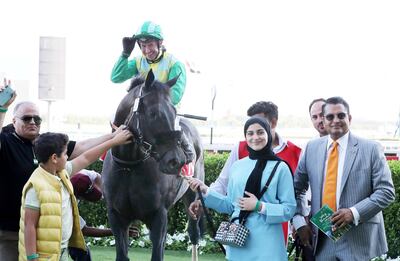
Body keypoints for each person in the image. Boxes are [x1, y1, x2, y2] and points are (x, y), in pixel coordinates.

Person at [0, 80, 133, 261]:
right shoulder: (7, 142)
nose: (33, 122)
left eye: (37, 119)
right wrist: (2, 109)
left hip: (49, 239)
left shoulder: (47, 146)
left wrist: (113, 137)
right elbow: (29, 224)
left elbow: (83, 152)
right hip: (10, 232)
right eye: (26, 118)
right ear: (14, 121)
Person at [293, 96, 395, 260]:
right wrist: (299, 222)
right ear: (324, 121)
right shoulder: (311, 148)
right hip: (321, 239)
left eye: (341, 115)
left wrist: (353, 213)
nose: (336, 120)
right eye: (330, 117)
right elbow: (296, 189)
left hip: (358, 239)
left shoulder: (370, 149)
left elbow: (386, 192)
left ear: (350, 118)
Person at [189, 101, 301, 244]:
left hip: (271, 233)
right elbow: (225, 188)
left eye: (260, 129)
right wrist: (204, 196)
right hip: (239, 231)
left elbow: (296, 199)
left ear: (272, 124)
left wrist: (300, 222)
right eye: (250, 131)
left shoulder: (292, 155)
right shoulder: (239, 156)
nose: (255, 136)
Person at [18, 130, 132, 261]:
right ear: (54, 158)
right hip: (43, 256)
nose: (68, 157)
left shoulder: (62, 172)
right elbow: (29, 225)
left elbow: (86, 157)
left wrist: (114, 141)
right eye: (66, 154)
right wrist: (32, 258)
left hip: (59, 252)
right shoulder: (36, 186)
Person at [110, 21, 193, 163]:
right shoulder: (138, 61)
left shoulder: (175, 64)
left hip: (165, 113)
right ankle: (110, 153)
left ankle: (187, 159)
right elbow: (116, 77)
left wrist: (157, 107)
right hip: (141, 112)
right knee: (114, 118)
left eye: (150, 45)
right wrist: (125, 54)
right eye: (143, 46)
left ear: (160, 43)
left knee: (175, 125)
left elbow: (176, 94)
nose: (147, 50)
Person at [68, 170, 139, 261]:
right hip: (55, 230)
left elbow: (97, 177)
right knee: (82, 251)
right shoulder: (67, 204)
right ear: (80, 196)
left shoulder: (83, 175)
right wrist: (116, 231)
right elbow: (84, 230)